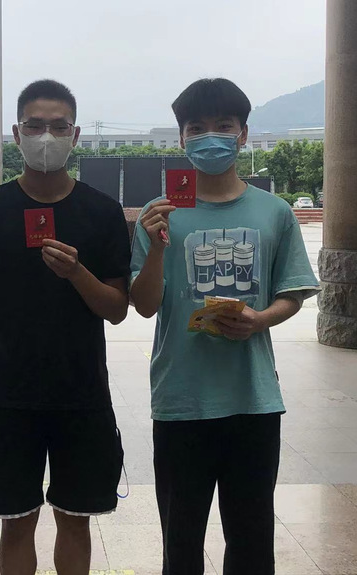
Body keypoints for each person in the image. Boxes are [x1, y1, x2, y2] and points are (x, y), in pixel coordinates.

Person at [130, 78, 320, 575]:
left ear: (243, 135)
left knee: (252, 542)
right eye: (196, 128)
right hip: (180, 400)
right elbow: (145, 306)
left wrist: (260, 320)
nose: (209, 137)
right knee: (181, 544)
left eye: (223, 125)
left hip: (253, 401)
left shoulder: (274, 212)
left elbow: (292, 293)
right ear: (181, 139)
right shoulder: (158, 214)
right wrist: (156, 248)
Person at [0, 79, 130, 575]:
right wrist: (12, 335)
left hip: (82, 393)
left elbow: (117, 308)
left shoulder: (101, 211)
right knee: (16, 522)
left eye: (58, 126)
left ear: (75, 135)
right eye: (34, 125)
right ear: (16, 133)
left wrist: (76, 273)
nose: (46, 136)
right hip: (8, 396)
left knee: (76, 520)